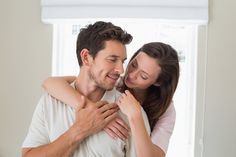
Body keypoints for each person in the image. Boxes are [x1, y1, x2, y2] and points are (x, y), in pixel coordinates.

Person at [22, 21, 150, 157]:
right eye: (112, 59)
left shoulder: (130, 112)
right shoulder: (50, 102)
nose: (121, 70)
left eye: (122, 61)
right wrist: (80, 130)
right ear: (86, 57)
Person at [42, 42, 180, 157]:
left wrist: (135, 116)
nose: (131, 75)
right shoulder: (113, 83)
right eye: (134, 64)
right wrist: (94, 110)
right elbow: (50, 83)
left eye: (143, 76)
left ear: (158, 82)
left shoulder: (166, 110)